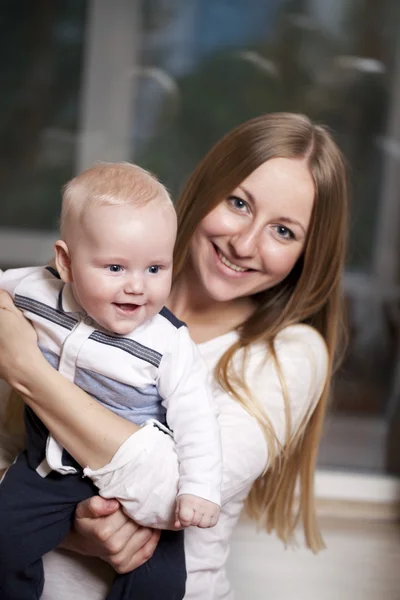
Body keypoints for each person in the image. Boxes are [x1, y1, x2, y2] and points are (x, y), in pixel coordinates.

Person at [0, 112, 348, 600]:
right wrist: (65, 526)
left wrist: (27, 370)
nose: (244, 244)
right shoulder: (83, 293)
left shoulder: (289, 354)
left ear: (309, 253)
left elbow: (174, 492)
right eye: (239, 203)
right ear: (206, 188)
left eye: (284, 231)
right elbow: (8, 447)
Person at [0, 163, 222, 599]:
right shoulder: (37, 290)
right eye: (116, 268)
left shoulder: (168, 342)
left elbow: (198, 418)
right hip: (48, 468)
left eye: (155, 269)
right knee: (4, 539)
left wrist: (200, 490)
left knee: (159, 583)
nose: (137, 287)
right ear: (64, 262)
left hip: (131, 489)